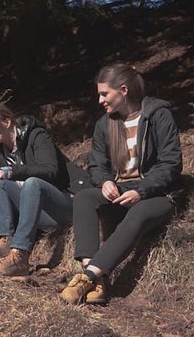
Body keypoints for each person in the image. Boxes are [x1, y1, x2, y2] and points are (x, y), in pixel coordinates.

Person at [60, 63, 182, 304]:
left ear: (123, 91)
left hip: (157, 193)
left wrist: (142, 190)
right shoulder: (104, 124)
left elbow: (170, 164)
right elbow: (97, 164)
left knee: (139, 211)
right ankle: (96, 277)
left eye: (104, 94)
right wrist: (105, 181)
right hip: (121, 190)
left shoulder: (158, 115)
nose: (100, 100)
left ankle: (86, 279)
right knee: (84, 198)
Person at [0, 103, 89, 276]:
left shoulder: (37, 135)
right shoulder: (1, 149)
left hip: (67, 204)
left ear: (7, 122)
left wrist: (12, 171)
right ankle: (4, 242)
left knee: (33, 183)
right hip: (40, 212)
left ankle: (20, 256)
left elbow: (51, 170)